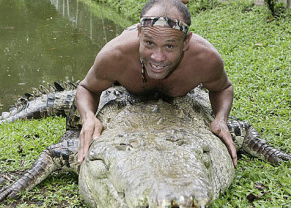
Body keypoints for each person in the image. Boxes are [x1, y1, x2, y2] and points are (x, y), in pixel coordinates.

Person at [76, 0, 237, 167]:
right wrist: (88, 117)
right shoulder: (115, 55)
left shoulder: (206, 59)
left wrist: (221, 118)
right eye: (149, 43)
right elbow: (87, 88)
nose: (157, 57)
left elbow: (223, 88)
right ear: (139, 33)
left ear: (186, 42)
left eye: (169, 46)